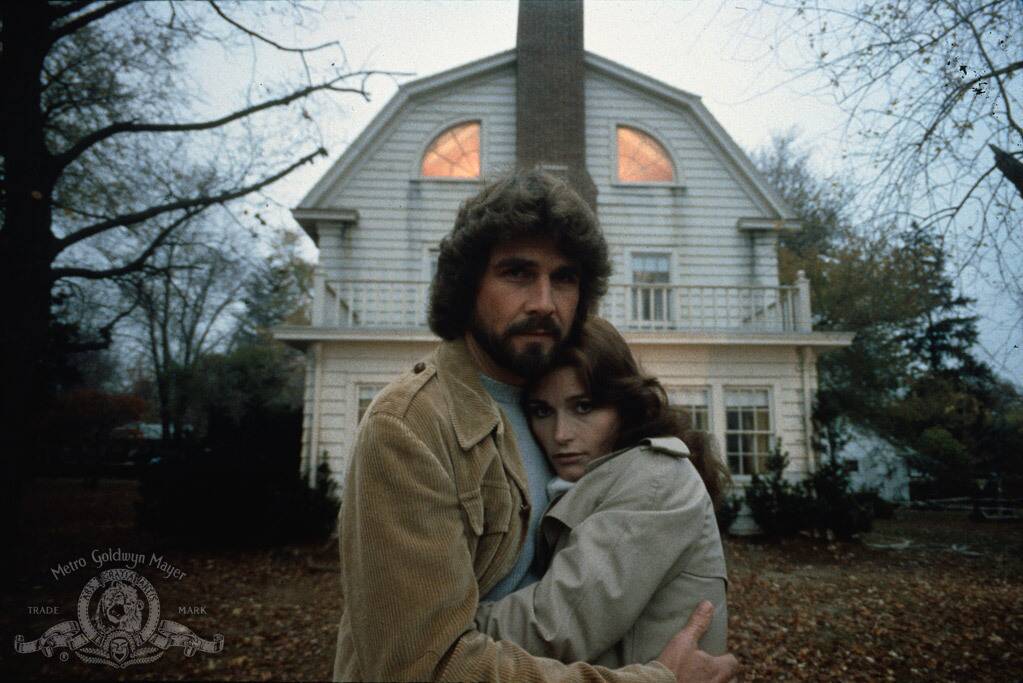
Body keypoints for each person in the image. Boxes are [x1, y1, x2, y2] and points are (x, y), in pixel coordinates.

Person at [332, 169, 739, 682]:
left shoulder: (544, 404)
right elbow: (424, 666)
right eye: (517, 273)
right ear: (467, 287)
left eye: (564, 277)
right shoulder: (411, 427)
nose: (545, 302)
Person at [475, 316, 731, 665]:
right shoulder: (606, 475)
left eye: (584, 407)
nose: (561, 433)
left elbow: (555, 627)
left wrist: (443, 631)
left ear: (626, 406)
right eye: (542, 411)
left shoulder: (654, 478)